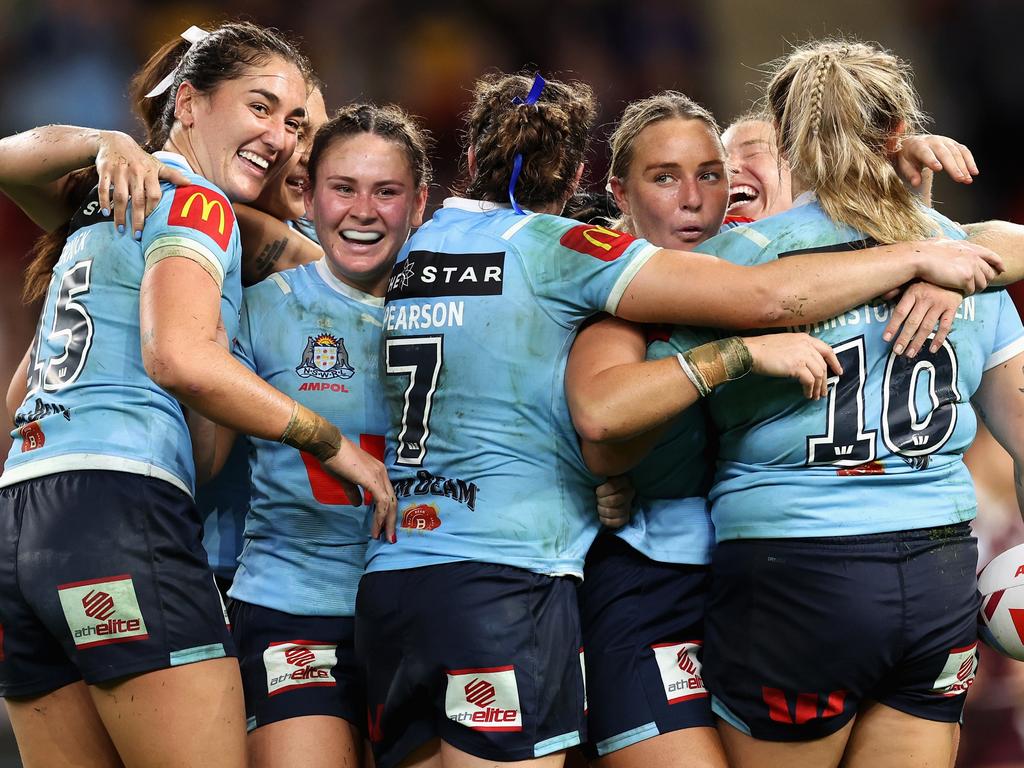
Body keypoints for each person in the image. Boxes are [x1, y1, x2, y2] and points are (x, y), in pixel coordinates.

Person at [355, 70, 998, 768]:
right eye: (665, 178)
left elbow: (977, 246)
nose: (696, 199)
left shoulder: (777, 258)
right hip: (645, 584)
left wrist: (922, 228)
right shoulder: (609, 279)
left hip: (758, 582)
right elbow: (606, 421)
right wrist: (746, 354)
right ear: (617, 193)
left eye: (716, 176)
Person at [0, 22, 393, 768]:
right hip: (133, 524)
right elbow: (180, 358)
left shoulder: (110, 210)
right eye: (264, 110)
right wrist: (327, 440)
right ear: (189, 102)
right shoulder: (199, 207)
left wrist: (103, 148)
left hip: (26, 524)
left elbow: (24, 394)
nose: (285, 140)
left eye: (300, 126)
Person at [646, 40, 1024, 768]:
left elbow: (656, 427)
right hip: (939, 572)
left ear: (788, 142)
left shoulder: (739, 263)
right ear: (897, 132)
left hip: (796, 575)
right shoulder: (966, 262)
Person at [221, 102, 430, 768]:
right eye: (343, 188)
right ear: (309, 197)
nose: (362, 210)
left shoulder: (461, 312)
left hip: (428, 606)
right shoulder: (259, 309)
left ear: (419, 203)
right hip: (293, 606)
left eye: (386, 191)